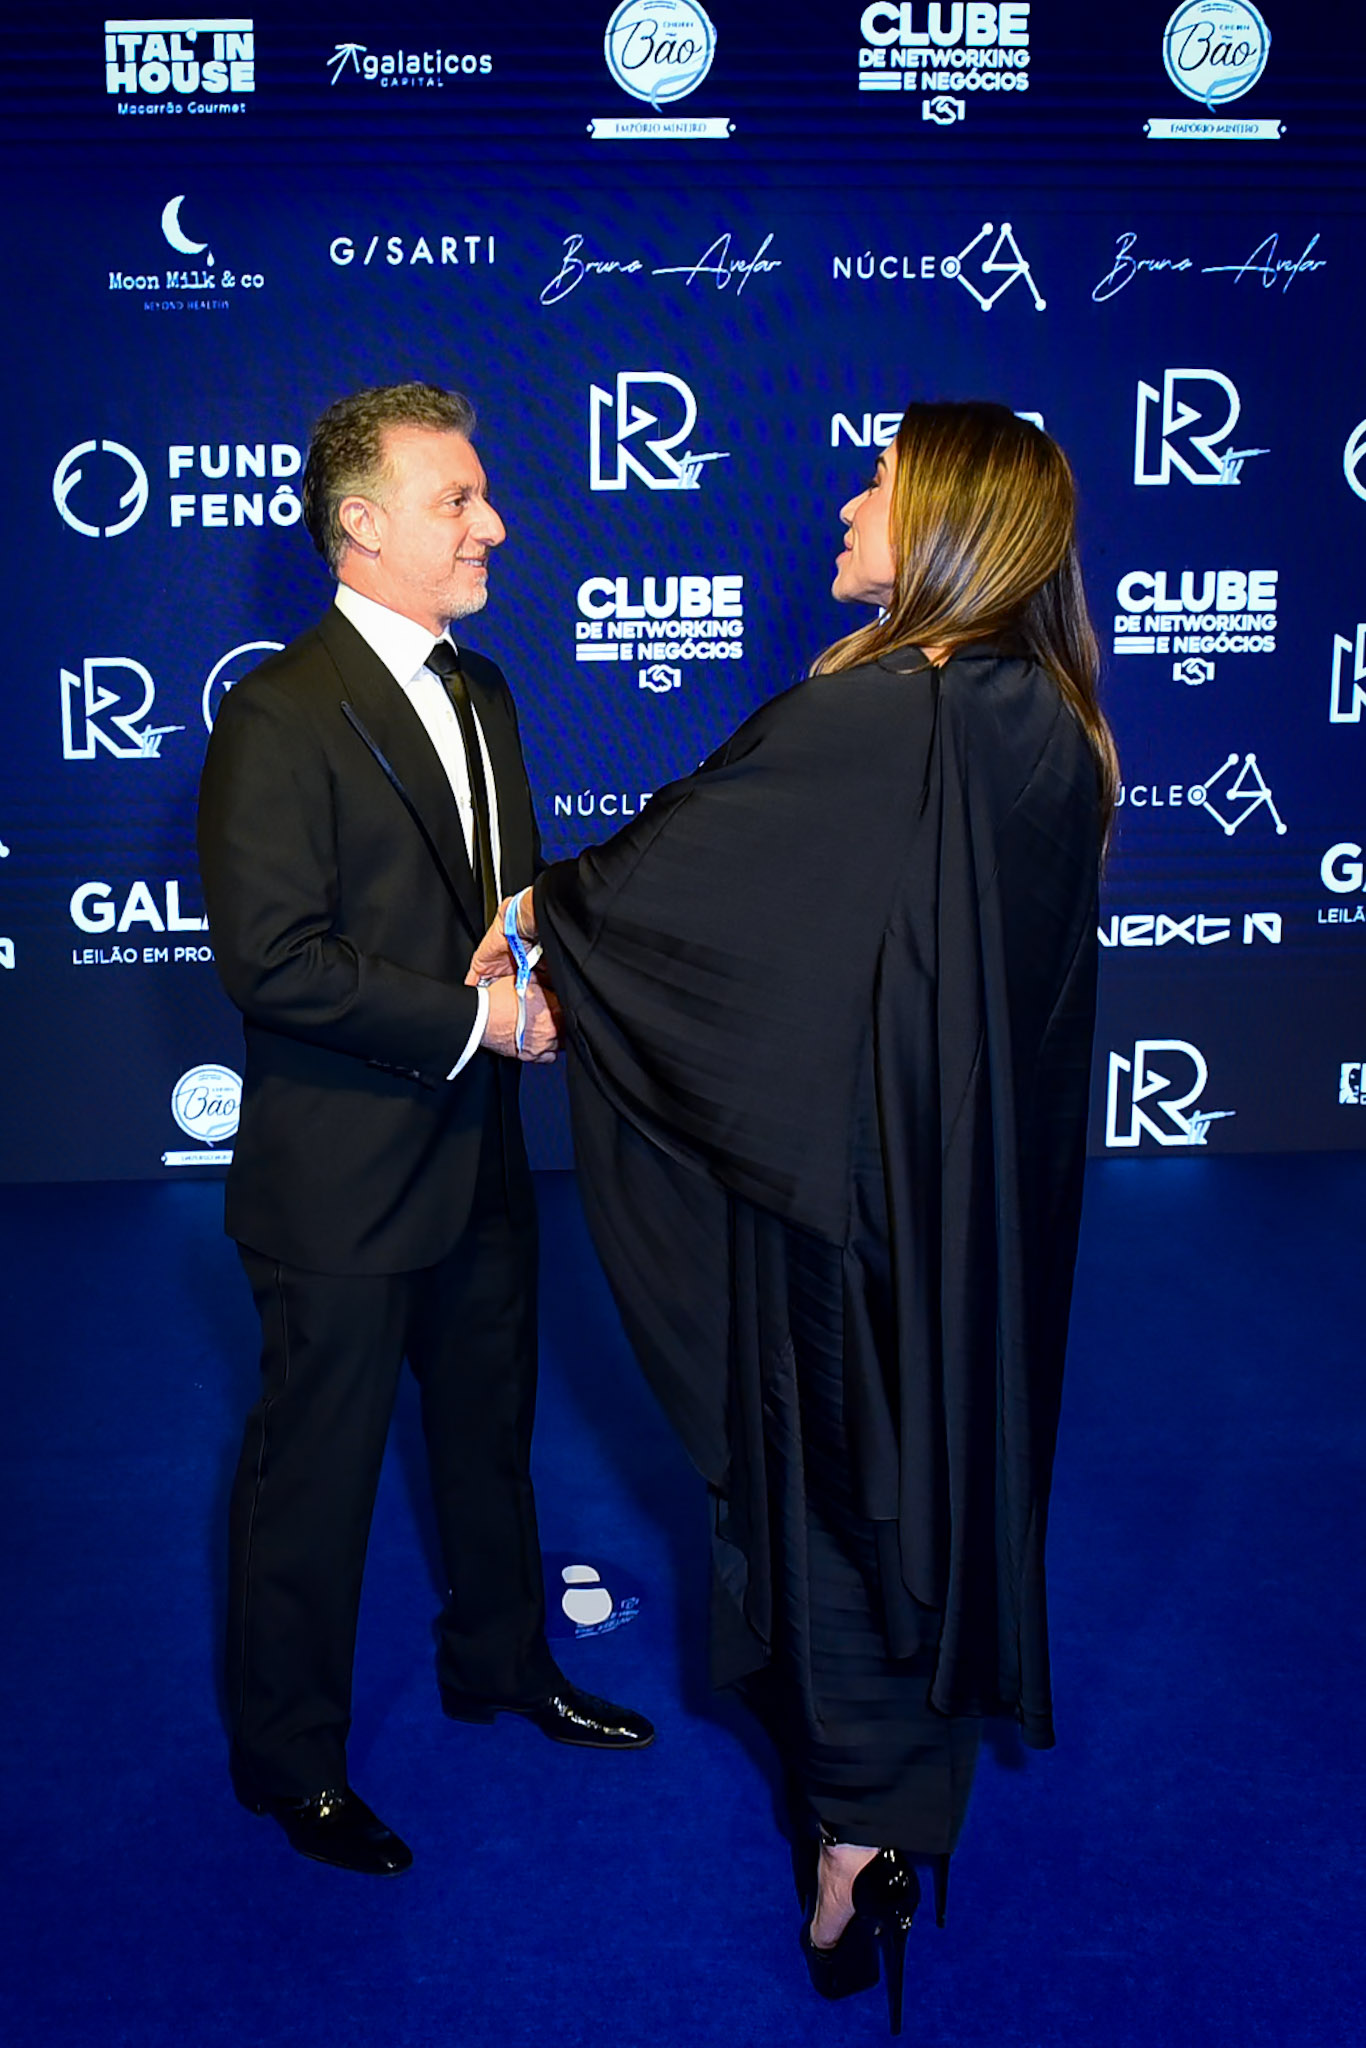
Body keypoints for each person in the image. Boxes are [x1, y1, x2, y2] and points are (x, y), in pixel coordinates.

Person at [470, 403, 1117, 2026]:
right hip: (972, 1226)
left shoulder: (889, 710)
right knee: (929, 1482)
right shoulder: (1045, 719)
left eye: (878, 486)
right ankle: (905, 1820)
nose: (843, 500)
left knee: (833, 1501)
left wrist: (538, 915)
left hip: (849, 1219)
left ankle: (854, 1851)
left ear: (953, 521)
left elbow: (693, 885)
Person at [197, 382, 652, 1879]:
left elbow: (493, 902)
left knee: (487, 1441)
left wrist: (527, 951)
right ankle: (290, 1764)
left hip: (475, 1158)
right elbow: (271, 959)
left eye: (482, 495)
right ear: (361, 525)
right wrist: (474, 1020)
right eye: (457, 500)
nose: (493, 524)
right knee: (312, 1481)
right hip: (336, 1180)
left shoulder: (487, 688)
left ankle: (501, 1663)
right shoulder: (277, 714)